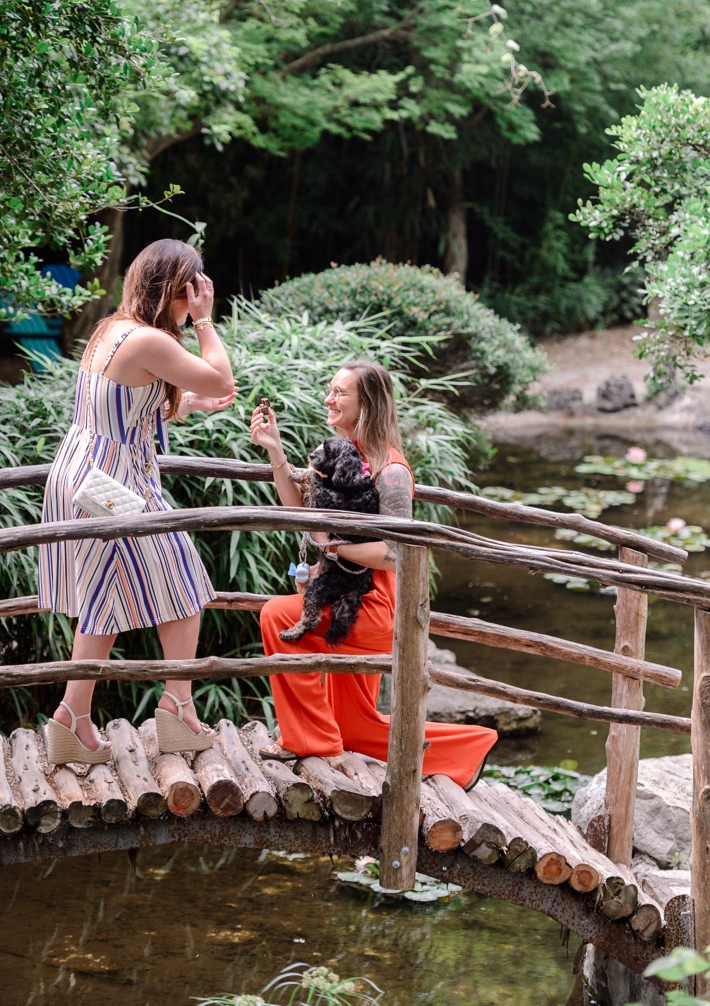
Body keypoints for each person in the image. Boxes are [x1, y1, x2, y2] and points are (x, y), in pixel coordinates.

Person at [250, 360, 498, 789]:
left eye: (340, 392)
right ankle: (468, 748)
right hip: (343, 594)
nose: (329, 398)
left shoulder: (391, 470)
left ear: (368, 404)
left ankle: (308, 740)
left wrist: (331, 545)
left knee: (276, 615)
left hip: (377, 608)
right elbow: (300, 511)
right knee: (353, 726)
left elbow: (395, 554)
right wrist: (275, 450)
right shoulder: (339, 455)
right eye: (331, 389)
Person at [38, 238, 236, 765]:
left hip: (83, 472)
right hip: (109, 482)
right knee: (186, 580)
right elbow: (222, 374)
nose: (194, 300)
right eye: (192, 291)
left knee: (107, 596)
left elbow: (121, 407)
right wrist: (204, 321)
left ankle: (73, 719)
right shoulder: (150, 339)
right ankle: (176, 710)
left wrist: (189, 403)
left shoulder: (111, 327)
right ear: (179, 289)